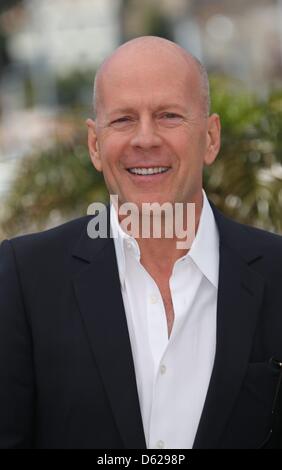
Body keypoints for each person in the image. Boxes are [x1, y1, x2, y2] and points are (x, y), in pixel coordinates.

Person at [0, 36, 282, 450]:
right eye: (123, 120)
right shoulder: (23, 279)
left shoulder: (278, 273)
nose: (145, 139)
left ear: (210, 137)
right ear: (95, 145)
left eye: (168, 115)